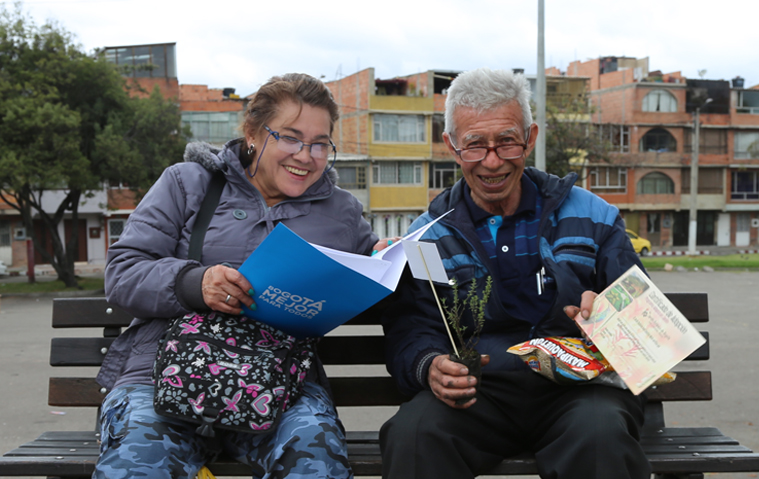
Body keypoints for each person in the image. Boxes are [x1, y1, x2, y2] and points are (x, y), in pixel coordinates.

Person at [94, 73, 388, 479]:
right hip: (161, 378)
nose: (306, 155)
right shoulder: (187, 183)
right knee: (139, 458)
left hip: (282, 386)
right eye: (290, 137)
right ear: (252, 133)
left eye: (320, 143)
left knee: (314, 455)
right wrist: (196, 283)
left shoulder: (342, 211)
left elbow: (373, 274)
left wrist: (386, 261)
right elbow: (123, 273)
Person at [379, 68, 651, 479]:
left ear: (530, 138)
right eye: (475, 145)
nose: (492, 161)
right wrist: (429, 363)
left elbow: (644, 318)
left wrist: (610, 315)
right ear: (452, 147)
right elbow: (415, 324)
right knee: (414, 434)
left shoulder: (594, 216)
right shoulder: (427, 238)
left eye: (506, 141)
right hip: (480, 392)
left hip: (581, 390)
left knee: (601, 435)